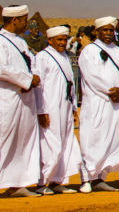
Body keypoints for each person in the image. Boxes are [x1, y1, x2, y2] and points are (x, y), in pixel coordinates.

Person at [78, 16, 119, 193]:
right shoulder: (89, 51)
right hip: (98, 103)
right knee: (93, 139)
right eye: (105, 30)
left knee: (115, 140)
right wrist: (112, 91)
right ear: (97, 31)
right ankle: (88, 179)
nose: (109, 33)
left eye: (111, 30)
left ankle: (101, 177)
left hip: (118, 105)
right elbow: (92, 76)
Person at [0, 5, 42, 197]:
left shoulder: (20, 42)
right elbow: (2, 69)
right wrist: (27, 80)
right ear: (15, 20)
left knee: (23, 140)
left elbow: (32, 62)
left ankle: (17, 183)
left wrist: (34, 77)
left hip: (25, 99)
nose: (27, 23)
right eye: (25, 20)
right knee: (1, 140)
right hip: (7, 99)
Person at [33, 26, 83, 195]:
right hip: (50, 107)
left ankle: (57, 180)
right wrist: (41, 110)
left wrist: (74, 107)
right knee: (50, 144)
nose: (62, 43)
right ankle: (43, 181)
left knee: (65, 143)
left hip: (66, 107)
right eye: (59, 40)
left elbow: (71, 83)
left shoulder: (65, 57)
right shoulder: (42, 57)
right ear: (50, 40)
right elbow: (39, 86)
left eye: (64, 39)